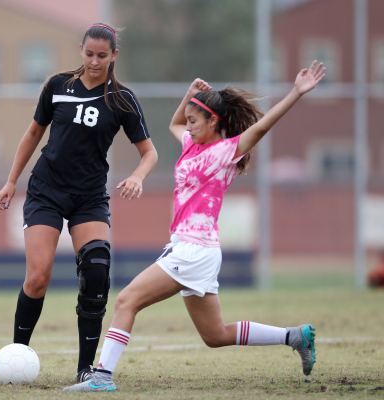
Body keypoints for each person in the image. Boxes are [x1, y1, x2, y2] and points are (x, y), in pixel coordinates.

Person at [64, 61, 326, 392]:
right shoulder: (192, 144)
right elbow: (175, 122)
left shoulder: (225, 151)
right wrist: (189, 96)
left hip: (194, 250)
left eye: (194, 121)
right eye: (188, 121)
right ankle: (294, 336)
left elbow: (261, 128)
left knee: (126, 300)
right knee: (215, 335)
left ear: (213, 121)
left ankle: (101, 378)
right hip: (194, 250)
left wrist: (296, 93)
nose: (187, 127)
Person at [0, 23, 158, 382]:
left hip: (89, 197)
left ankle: (86, 369)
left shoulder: (122, 99)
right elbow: (33, 133)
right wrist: (11, 181)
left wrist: (137, 177)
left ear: (114, 55)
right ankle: (16, 356)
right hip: (47, 190)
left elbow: (149, 153)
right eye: (88, 54)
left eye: (102, 55)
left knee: (97, 270)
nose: (94, 61)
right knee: (38, 278)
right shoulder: (57, 86)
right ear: (80, 50)